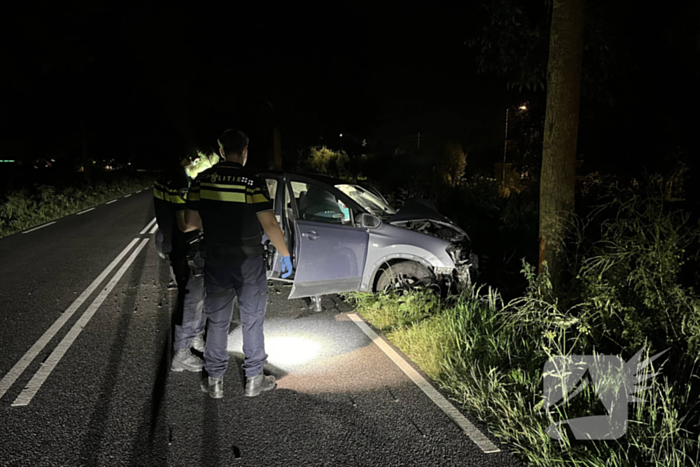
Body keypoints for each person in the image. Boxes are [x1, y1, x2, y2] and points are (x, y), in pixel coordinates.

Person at [182, 129, 293, 399]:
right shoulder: (252, 181)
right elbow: (269, 222)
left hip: (216, 260)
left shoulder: (201, 180)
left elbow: (190, 224)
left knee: (217, 321)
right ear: (245, 151)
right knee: (252, 320)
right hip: (249, 262)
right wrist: (285, 255)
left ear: (221, 151)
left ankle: (215, 381)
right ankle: (254, 378)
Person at [153, 152, 207, 372]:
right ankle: (182, 353)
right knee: (193, 299)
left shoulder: (165, 176)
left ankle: (194, 338)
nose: (197, 160)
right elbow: (185, 224)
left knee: (195, 297)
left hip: (174, 243)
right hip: (184, 246)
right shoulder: (178, 180)